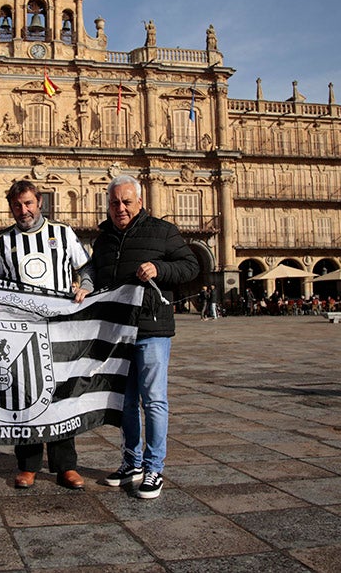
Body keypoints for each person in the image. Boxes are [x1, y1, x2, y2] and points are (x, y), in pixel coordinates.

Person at [92, 175, 198, 499]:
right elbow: (94, 273)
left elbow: (190, 265)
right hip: (118, 332)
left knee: (153, 401)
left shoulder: (163, 232)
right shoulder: (103, 240)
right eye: (114, 203)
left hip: (152, 329)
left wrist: (159, 269)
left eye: (126, 202)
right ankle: (131, 462)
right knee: (124, 403)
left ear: (140, 202)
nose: (120, 208)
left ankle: (154, 468)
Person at [0, 180, 93, 491]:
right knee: (25, 397)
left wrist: (86, 285)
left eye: (29, 203)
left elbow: (86, 267)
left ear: (40, 203)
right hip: (20, 332)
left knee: (62, 396)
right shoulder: (1, 243)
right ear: (11, 207)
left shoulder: (62, 234)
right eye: (18, 205)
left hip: (60, 329)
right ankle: (28, 465)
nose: (24, 210)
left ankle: (66, 466)